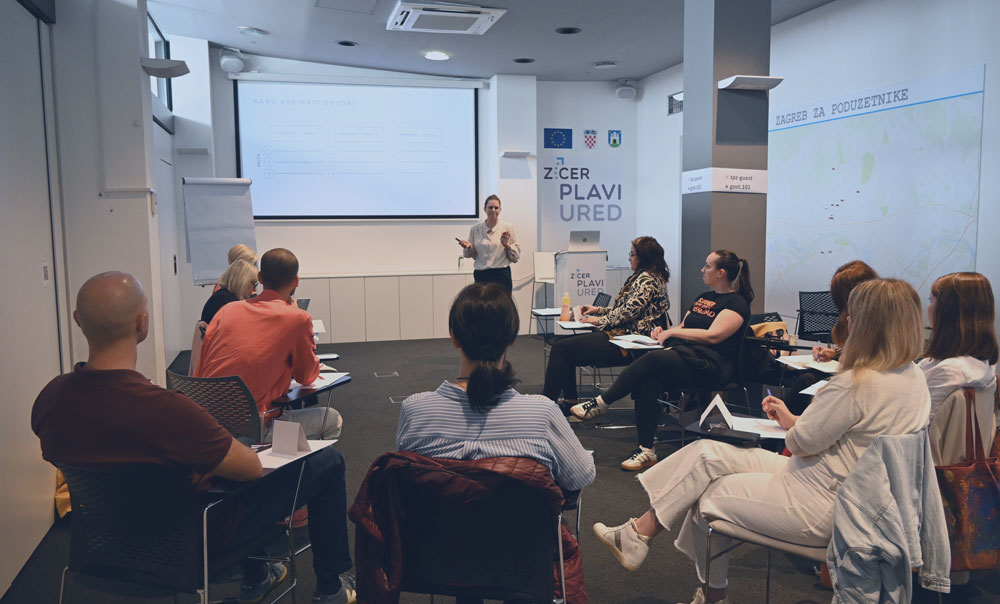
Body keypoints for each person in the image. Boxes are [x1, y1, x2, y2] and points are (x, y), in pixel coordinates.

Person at [591, 278, 929, 604]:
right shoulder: (913, 378)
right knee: (706, 454)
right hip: (852, 494)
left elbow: (801, 443)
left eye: (851, 315)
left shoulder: (855, 384)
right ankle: (638, 534)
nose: (846, 322)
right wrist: (799, 420)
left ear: (866, 326)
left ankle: (710, 594)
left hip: (822, 500)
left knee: (705, 495)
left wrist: (800, 420)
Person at [31, 272, 355, 604]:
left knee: (227, 456)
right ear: (143, 323)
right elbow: (249, 470)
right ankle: (331, 589)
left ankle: (258, 577)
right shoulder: (168, 411)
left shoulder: (51, 400)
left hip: (101, 547)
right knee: (328, 462)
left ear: (77, 320)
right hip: (189, 544)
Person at [397, 282, 595, 492]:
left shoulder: (415, 411)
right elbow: (580, 477)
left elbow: (403, 486)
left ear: (454, 337)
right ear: (511, 339)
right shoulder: (542, 415)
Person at [570, 250, 752, 471]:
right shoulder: (704, 297)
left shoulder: (736, 303)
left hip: (712, 366)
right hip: (688, 357)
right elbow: (684, 327)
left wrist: (673, 333)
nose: (702, 269)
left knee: (653, 360)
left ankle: (603, 402)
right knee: (649, 380)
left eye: (708, 266)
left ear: (721, 273)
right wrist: (663, 332)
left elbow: (713, 336)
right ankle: (647, 450)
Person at [196, 248, 342, 440]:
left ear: (260, 278)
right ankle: (285, 459)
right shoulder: (297, 318)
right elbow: (306, 377)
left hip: (206, 424)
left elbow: (201, 366)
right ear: (296, 281)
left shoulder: (227, 310)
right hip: (256, 426)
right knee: (332, 419)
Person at [542, 236, 670, 406]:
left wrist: (599, 320)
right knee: (563, 347)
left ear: (644, 257)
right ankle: (568, 400)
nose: (629, 258)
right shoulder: (647, 276)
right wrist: (598, 310)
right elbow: (625, 309)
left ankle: (547, 405)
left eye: (632, 255)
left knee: (561, 348)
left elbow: (627, 313)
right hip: (623, 335)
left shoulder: (647, 280)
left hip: (629, 341)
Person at [784, 260, 879, 414]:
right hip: (853, 379)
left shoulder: (867, 324)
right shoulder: (855, 319)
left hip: (861, 384)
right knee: (807, 379)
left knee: (807, 382)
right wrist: (835, 353)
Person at [920, 272, 998, 420]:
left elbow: (920, 425)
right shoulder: (986, 363)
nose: (928, 307)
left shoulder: (950, 371)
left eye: (931, 300)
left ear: (948, 311)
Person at [457, 195, 520, 295]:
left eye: (496, 207)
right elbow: (470, 255)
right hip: (482, 275)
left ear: (500, 209)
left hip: (501, 275)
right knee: (481, 303)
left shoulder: (507, 227)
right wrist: (468, 247)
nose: (493, 210)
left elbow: (515, 257)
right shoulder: (475, 229)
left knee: (503, 303)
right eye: (490, 207)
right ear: (485, 209)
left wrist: (506, 245)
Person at [201, 259, 258, 324]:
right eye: (253, 283)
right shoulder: (229, 301)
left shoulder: (221, 296)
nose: (254, 289)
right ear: (243, 282)